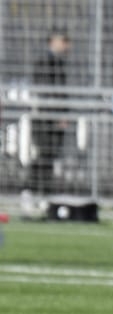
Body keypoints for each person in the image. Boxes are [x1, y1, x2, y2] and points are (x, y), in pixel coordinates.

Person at [24, 30, 71, 211]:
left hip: (52, 117)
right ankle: (29, 191)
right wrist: (57, 113)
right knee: (43, 155)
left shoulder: (58, 62)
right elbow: (47, 92)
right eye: (64, 41)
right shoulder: (46, 61)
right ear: (53, 41)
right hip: (45, 117)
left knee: (49, 156)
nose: (68, 46)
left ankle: (43, 194)